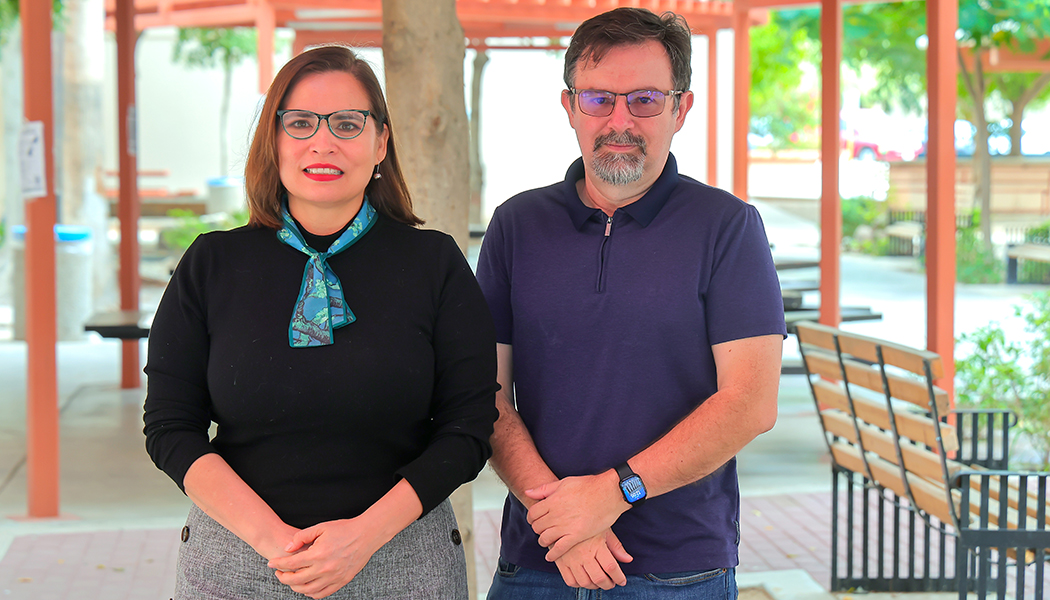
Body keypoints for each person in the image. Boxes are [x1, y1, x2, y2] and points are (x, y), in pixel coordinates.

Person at [143, 45, 498, 600]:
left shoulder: (434, 264)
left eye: (348, 124)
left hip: (401, 561)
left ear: (381, 142)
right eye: (301, 123)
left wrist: (360, 539)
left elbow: (470, 427)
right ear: (274, 140)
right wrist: (275, 542)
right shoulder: (211, 264)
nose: (323, 142)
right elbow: (170, 426)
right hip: (238, 561)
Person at [476, 7, 787, 599]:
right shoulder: (516, 226)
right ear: (569, 107)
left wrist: (612, 494)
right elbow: (483, 392)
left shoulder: (727, 227)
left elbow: (751, 402)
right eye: (598, 99)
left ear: (681, 108)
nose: (619, 120)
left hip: (677, 571)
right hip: (539, 562)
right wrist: (564, 521)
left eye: (644, 99)